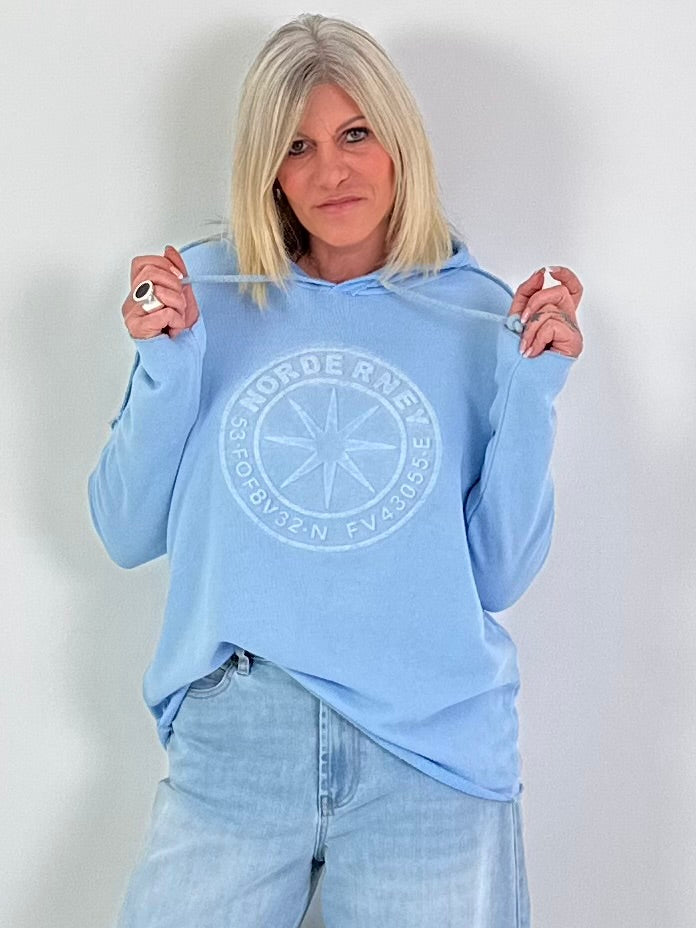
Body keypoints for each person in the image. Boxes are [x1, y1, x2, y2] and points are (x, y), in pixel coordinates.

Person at [88, 13, 584, 928]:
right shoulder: (202, 293)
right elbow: (124, 530)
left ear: (399, 141)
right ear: (268, 170)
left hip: (431, 750)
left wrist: (532, 395)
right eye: (297, 146)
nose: (331, 172)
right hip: (240, 732)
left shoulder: (483, 314)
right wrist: (168, 367)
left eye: (356, 134)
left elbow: (499, 575)